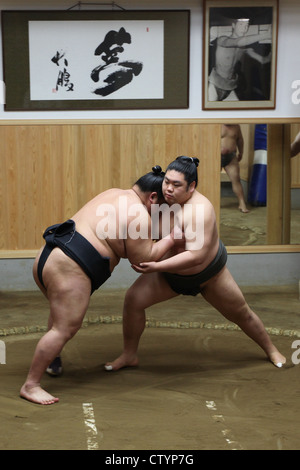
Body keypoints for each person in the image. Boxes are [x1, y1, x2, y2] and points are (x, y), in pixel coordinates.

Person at [105, 156, 286, 372]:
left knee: (241, 313)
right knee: (133, 300)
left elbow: (196, 256)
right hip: (170, 276)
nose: (169, 189)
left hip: (209, 275)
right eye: (167, 182)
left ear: (191, 186)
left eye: (176, 184)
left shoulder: (200, 210)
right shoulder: (160, 201)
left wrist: (156, 266)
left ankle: (271, 349)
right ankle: (129, 355)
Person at [20, 166, 178, 405]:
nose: (159, 216)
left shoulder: (114, 193)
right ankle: (31, 385)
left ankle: (52, 358)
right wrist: (173, 237)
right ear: (153, 197)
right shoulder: (139, 214)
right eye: (161, 210)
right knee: (64, 329)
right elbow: (142, 259)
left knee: (59, 314)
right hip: (70, 267)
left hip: (48, 255)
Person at [208, 18, 272, 102]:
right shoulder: (222, 40)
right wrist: (267, 35)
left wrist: (273, 50)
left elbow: (263, 60)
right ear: (233, 25)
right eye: (241, 24)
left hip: (230, 86)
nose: (244, 28)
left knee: (237, 113)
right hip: (215, 84)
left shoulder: (244, 48)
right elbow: (237, 42)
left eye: (246, 25)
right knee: (207, 113)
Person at [221, 124, 249, 213]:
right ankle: (209, 202)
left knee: (236, 179)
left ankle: (242, 203)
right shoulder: (216, 124)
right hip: (215, 156)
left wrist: (241, 152)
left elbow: (240, 139)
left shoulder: (236, 126)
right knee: (211, 180)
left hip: (231, 157)